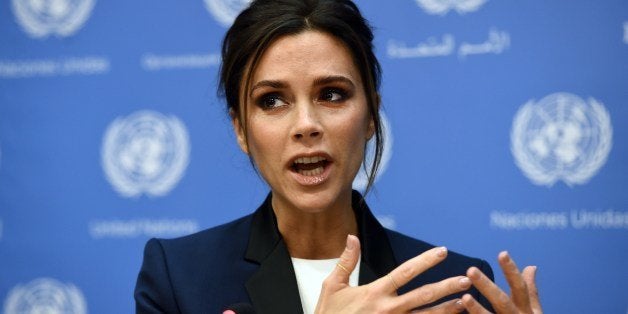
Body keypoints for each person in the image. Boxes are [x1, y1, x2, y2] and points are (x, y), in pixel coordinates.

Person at [134, 0, 543, 313]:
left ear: (370, 116)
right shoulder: (177, 278)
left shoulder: (454, 285)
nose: (306, 124)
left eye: (332, 94)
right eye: (272, 100)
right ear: (241, 128)